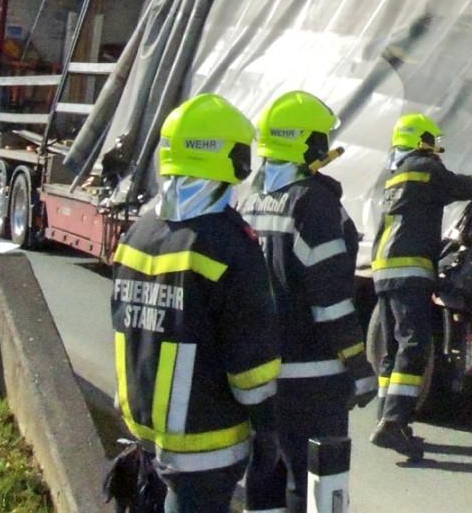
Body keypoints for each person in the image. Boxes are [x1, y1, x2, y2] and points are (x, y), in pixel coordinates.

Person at [109, 93, 280, 513]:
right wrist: (269, 429)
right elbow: (251, 367)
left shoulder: (139, 232)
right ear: (231, 160)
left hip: (145, 432)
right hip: (207, 444)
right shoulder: (230, 245)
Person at [236, 90, 377, 513]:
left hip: (262, 374)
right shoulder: (313, 203)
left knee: (265, 478)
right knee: (317, 482)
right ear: (307, 143)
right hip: (314, 378)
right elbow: (331, 301)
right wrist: (357, 366)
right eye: (321, 137)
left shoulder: (253, 197)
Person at [368, 112, 472, 459]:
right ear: (422, 141)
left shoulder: (396, 175)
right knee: (414, 345)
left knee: (392, 349)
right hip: (410, 269)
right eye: (433, 141)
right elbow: (469, 188)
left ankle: (387, 419)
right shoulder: (425, 168)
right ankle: (392, 423)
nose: (437, 150)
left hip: (384, 271)